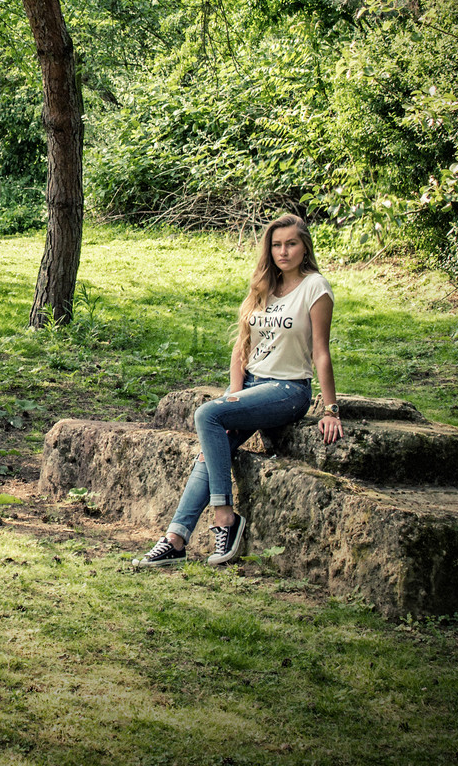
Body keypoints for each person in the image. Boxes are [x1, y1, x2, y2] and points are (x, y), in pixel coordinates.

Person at [133, 213, 342, 569]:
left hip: (288, 390)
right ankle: (175, 539)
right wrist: (234, 395)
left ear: (305, 246)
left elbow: (321, 351)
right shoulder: (262, 286)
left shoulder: (315, 287)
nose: (283, 252)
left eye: (291, 243)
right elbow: (241, 348)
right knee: (210, 449)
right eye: (276, 245)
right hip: (251, 388)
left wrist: (330, 409)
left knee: (206, 414)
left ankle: (225, 517)